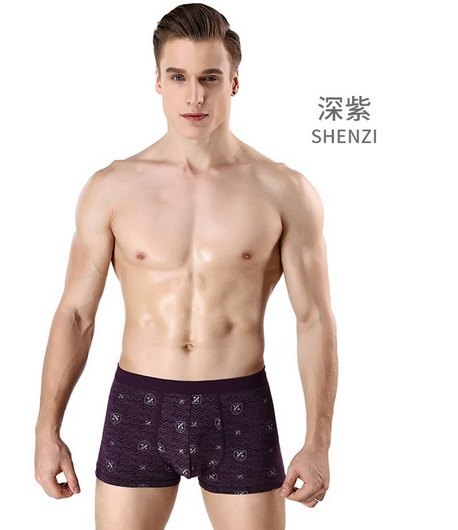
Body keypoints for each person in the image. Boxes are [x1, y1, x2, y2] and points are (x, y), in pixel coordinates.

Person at [34, 3, 338, 529]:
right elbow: (77, 314)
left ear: (234, 82)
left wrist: (318, 443)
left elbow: (314, 318)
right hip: (139, 401)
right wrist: (46, 430)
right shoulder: (112, 188)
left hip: (239, 403)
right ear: (157, 81)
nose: (194, 96)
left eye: (209, 78)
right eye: (178, 77)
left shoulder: (284, 191)